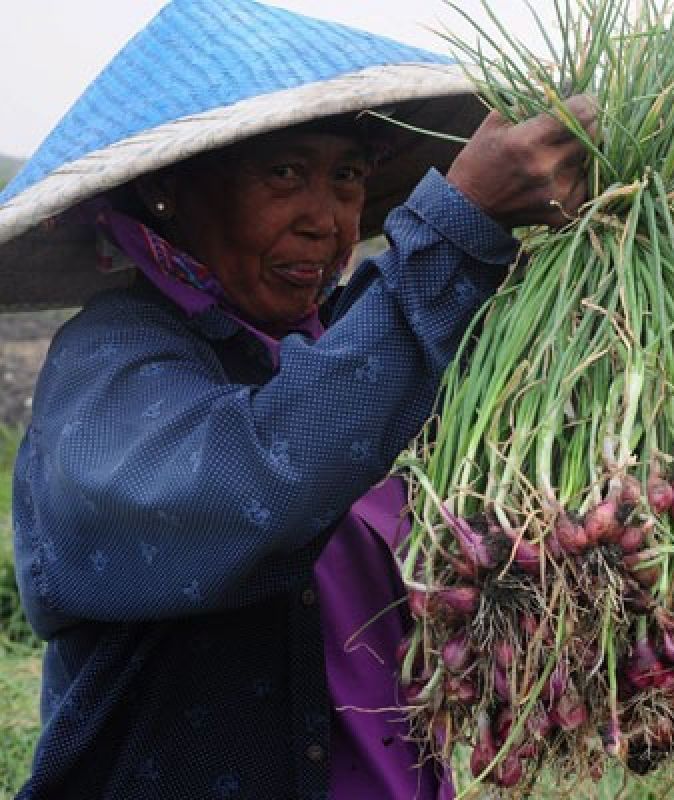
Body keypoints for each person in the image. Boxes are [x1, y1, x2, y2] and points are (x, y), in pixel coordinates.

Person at [0, 1, 597, 798]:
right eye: (283, 174)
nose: (326, 222)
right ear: (171, 190)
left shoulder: (338, 351)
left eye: (347, 176)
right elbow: (252, 486)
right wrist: (455, 231)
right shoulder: (112, 360)